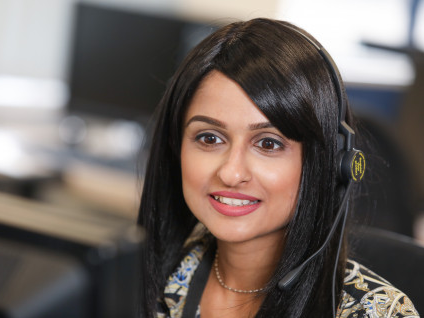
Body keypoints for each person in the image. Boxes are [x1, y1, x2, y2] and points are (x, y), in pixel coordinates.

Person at [137, 18, 420, 317]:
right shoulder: (158, 268)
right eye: (209, 138)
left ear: (326, 164)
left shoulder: (376, 312)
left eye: (268, 144)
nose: (231, 173)